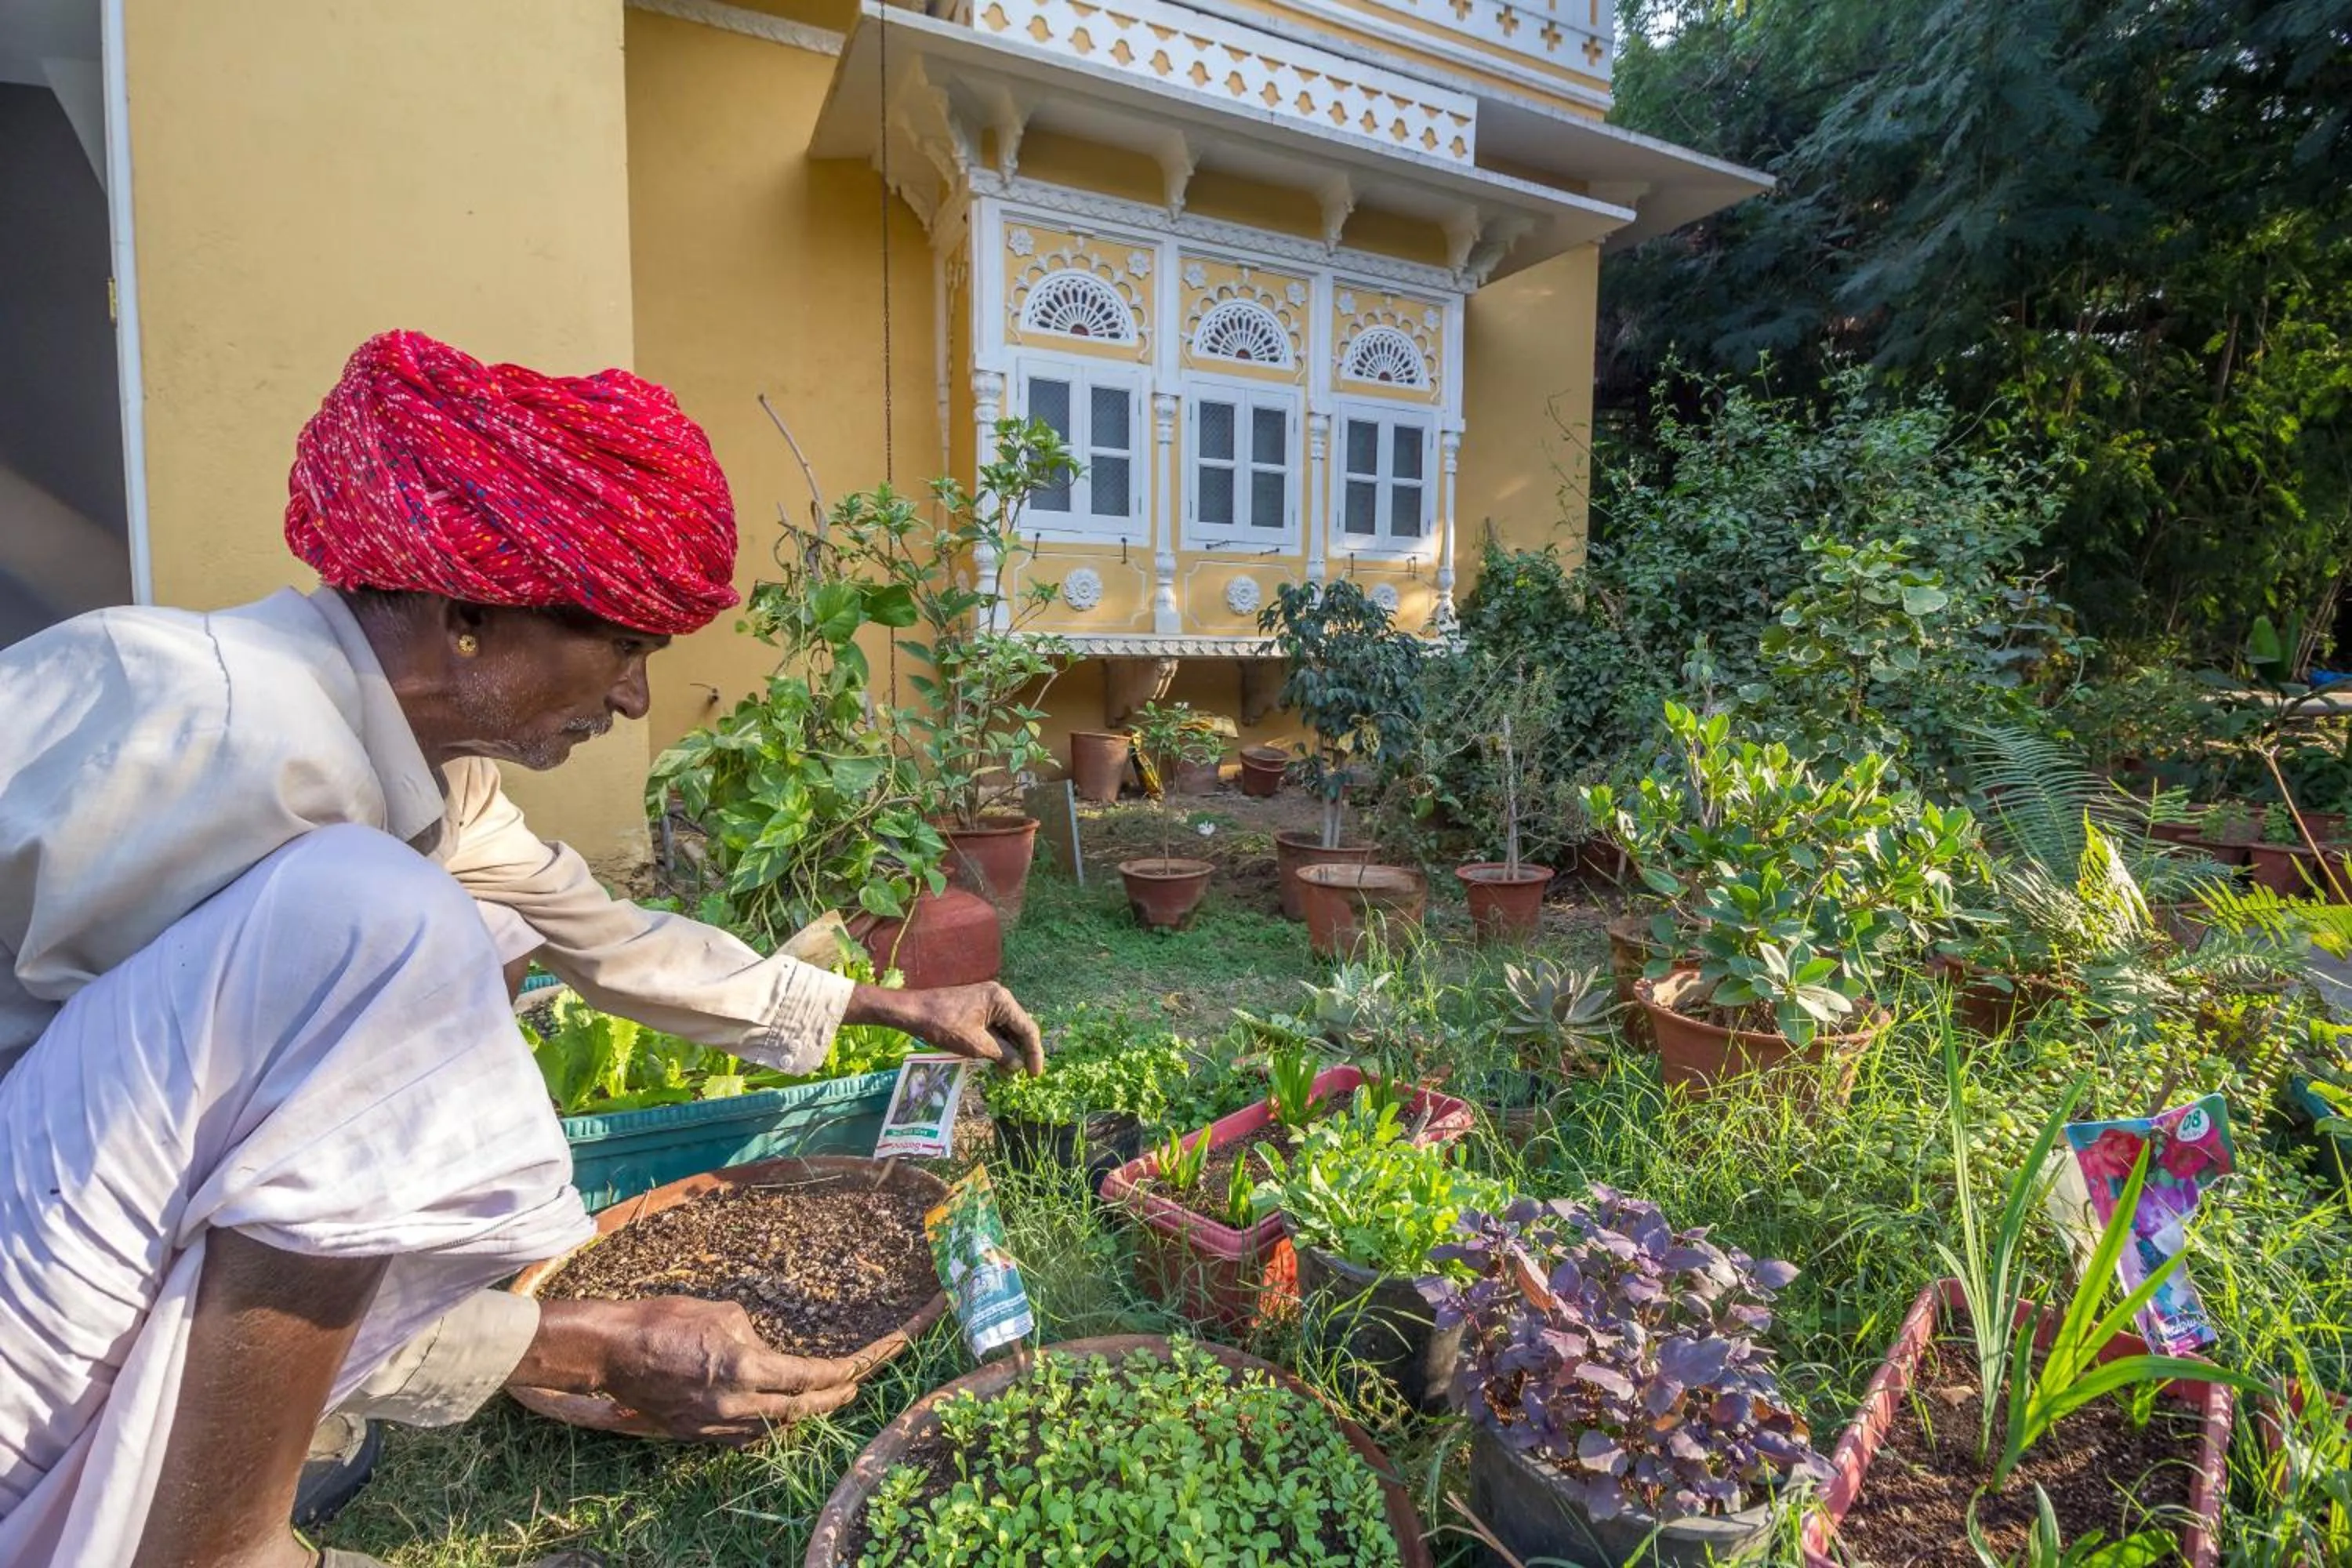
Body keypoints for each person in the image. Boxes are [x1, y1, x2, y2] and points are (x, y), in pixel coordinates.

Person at [0, 330, 1043, 1566]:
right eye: (626, 648)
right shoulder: (183, 712)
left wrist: (890, 1008)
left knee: (453, 922)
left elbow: (614, 941)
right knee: (391, 924)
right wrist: (571, 1343)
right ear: (468, 619)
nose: (636, 700)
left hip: (87, 1234)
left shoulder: (438, 784)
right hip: (31, 1277)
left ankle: (222, 1479)